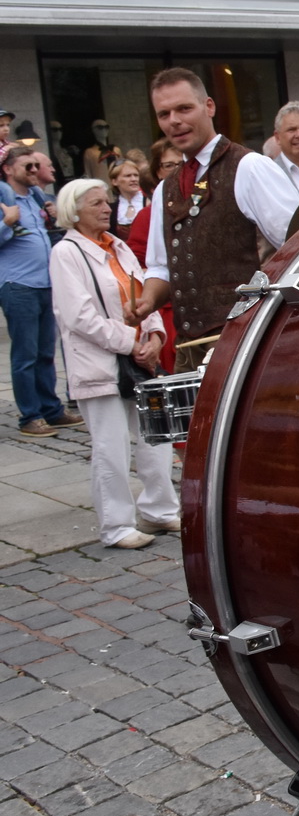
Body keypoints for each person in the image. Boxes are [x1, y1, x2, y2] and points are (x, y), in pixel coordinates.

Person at [131, 68, 299, 349]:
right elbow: (161, 267)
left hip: (246, 342)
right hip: (189, 345)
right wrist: (147, 301)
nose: (175, 121)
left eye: (184, 109)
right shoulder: (165, 189)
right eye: (164, 114)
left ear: (208, 106)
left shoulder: (249, 167)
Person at [49, 178, 177, 549]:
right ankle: (117, 525)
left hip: (137, 360)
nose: (106, 208)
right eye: (96, 204)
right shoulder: (67, 252)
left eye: (106, 202)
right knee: (111, 445)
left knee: (156, 437)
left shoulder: (118, 246)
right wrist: (133, 341)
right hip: (98, 365)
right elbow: (79, 317)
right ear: (74, 211)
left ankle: (159, 508)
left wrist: (154, 336)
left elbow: (143, 296)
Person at [0, 147, 80, 437]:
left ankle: (52, 410)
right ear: (9, 169)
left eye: (37, 165)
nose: (35, 171)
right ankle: (30, 417)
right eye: (28, 166)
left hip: (45, 284)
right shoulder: (3, 199)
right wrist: (7, 222)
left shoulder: (35, 198)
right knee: (25, 355)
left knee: (46, 353)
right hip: (18, 285)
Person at [128, 141, 181, 373]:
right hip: (168, 306)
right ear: (158, 170)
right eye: (169, 165)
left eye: (182, 163)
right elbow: (138, 263)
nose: (176, 169)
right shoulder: (147, 216)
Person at [109, 160, 147, 240]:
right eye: (128, 176)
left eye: (136, 175)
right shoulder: (111, 209)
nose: (134, 179)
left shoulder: (150, 202)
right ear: (114, 181)